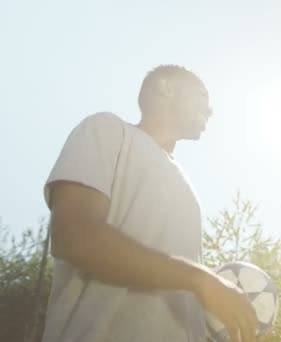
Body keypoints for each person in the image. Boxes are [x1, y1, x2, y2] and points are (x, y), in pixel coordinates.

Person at [42, 65, 256, 342]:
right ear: (166, 88)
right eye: (202, 96)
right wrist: (201, 280)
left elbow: (178, 288)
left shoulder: (188, 189)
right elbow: (74, 235)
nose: (211, 110)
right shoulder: (107, 129)